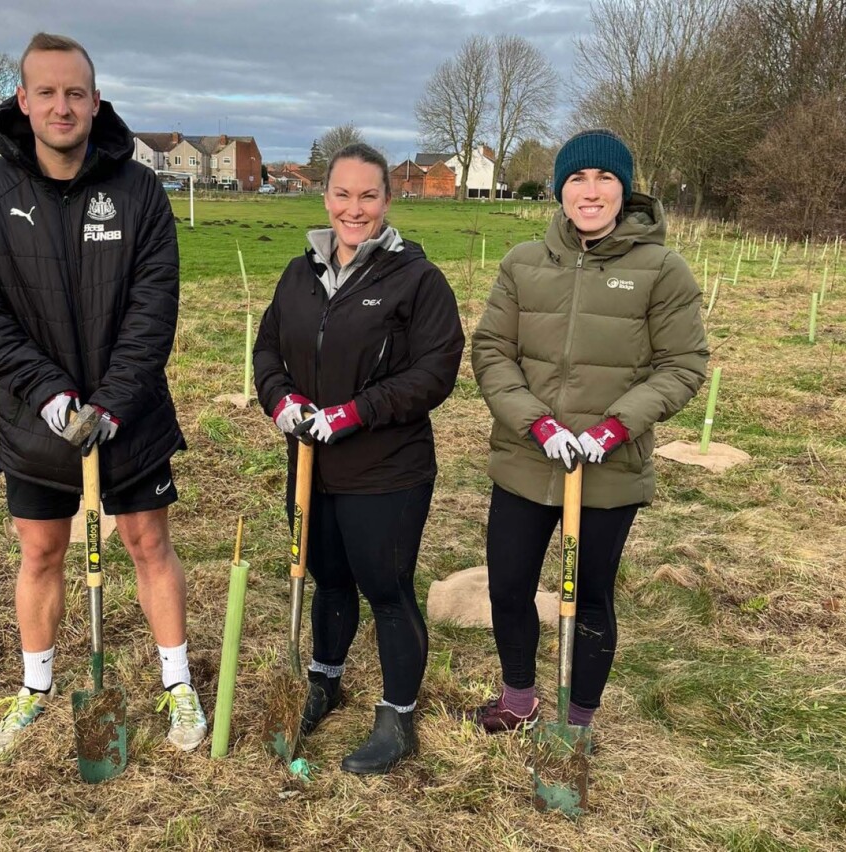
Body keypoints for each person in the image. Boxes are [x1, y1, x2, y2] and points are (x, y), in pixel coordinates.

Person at [0, 32, 206, 757]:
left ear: (95, 102)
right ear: (23, 101)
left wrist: (114, 401)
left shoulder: (139, 192)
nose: (62, 106)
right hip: (36, 422)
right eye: (48, 92)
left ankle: (177, 683)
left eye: (76, 93)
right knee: (40, 551)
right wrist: (49, 396)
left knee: (147, 541)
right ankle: (35, 686)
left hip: (131, 417)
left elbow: (154, 307)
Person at [469, 129, 708, 735]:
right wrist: (536, 421)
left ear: (625, 189)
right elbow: (493, 349)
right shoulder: (524, 263)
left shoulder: (661, 270)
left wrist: (614, 429)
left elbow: (682, 365)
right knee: (508, 585)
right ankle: (518, 699)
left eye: (605, 178)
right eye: (578, 178)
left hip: (610, 471)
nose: (591, 190)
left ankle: (577, 725)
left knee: (592, 597)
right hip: (526, 459)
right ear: (560, 189)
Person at [253, 143, 464, 774]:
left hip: (386, 468)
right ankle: (324, 679)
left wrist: (356, 411)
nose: (354, 208)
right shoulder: (300, 274)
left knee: (386, 586)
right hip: (311, 464)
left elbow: (435, 371)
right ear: (325, 198)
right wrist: (279, 399)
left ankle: (398, 715)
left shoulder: (417, 281)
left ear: (387, 201)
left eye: (367, 195)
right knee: (328, 576)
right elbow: (267, 348)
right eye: (342, 194)